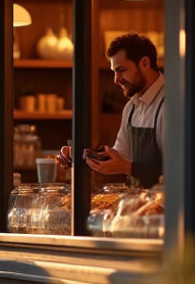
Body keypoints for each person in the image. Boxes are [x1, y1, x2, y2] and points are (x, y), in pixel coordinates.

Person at [57, 33, 164, 188]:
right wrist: (78, 155)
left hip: (169, 208)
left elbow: (181, 169)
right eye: (114, 71)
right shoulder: (131, 108)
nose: (116, 79)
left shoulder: (171, 105)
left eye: (121, 70)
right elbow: (118, 157)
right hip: (140, 206)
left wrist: (128, 167)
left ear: (145, 63)